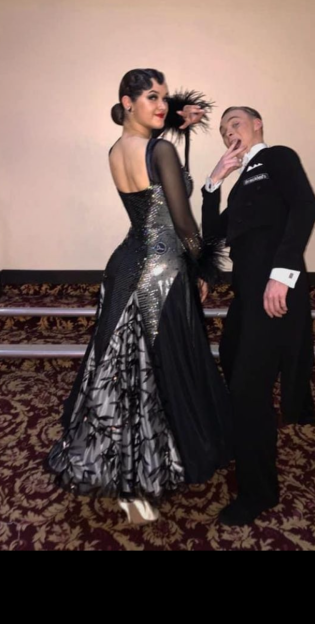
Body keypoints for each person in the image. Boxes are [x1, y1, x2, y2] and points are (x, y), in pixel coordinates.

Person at [47, 68, 232, 524]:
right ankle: (168, 455)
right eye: (153, 97)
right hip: (161, 271)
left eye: (165, 97)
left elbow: (151, 181)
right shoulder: (160, 150)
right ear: (128, 102)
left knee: (127, 365)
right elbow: (183, 223)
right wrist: (204, 267)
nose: (162, 105)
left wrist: (175, 118)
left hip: (126, 264)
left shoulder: (118, 148)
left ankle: (119, 455)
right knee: (164, 362)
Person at [201, 105, 315, 526]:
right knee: (232, 364)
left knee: (249, 390)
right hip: (246, 296)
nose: (228, 132)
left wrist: (282, 275)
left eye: (235, 123)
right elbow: (213, 235)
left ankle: (259, 492)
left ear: (257, 125)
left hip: (275, 290)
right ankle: (247, 443)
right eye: (222, 130)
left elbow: (305, 207)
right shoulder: (239, 188)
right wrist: (213, 183)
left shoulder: (277, 158)